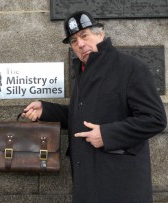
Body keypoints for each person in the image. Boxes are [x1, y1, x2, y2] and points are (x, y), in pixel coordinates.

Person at [22, 11, 167, 203]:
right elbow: (82, 116)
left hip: (120, 186)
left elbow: (156, 119)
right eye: (74, 41)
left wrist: (107, 135)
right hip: (88, 183)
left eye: (84, 36)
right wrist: (46, 110)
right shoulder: (83, 72)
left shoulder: (131, 68)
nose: (80, 44)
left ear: (100, 34)